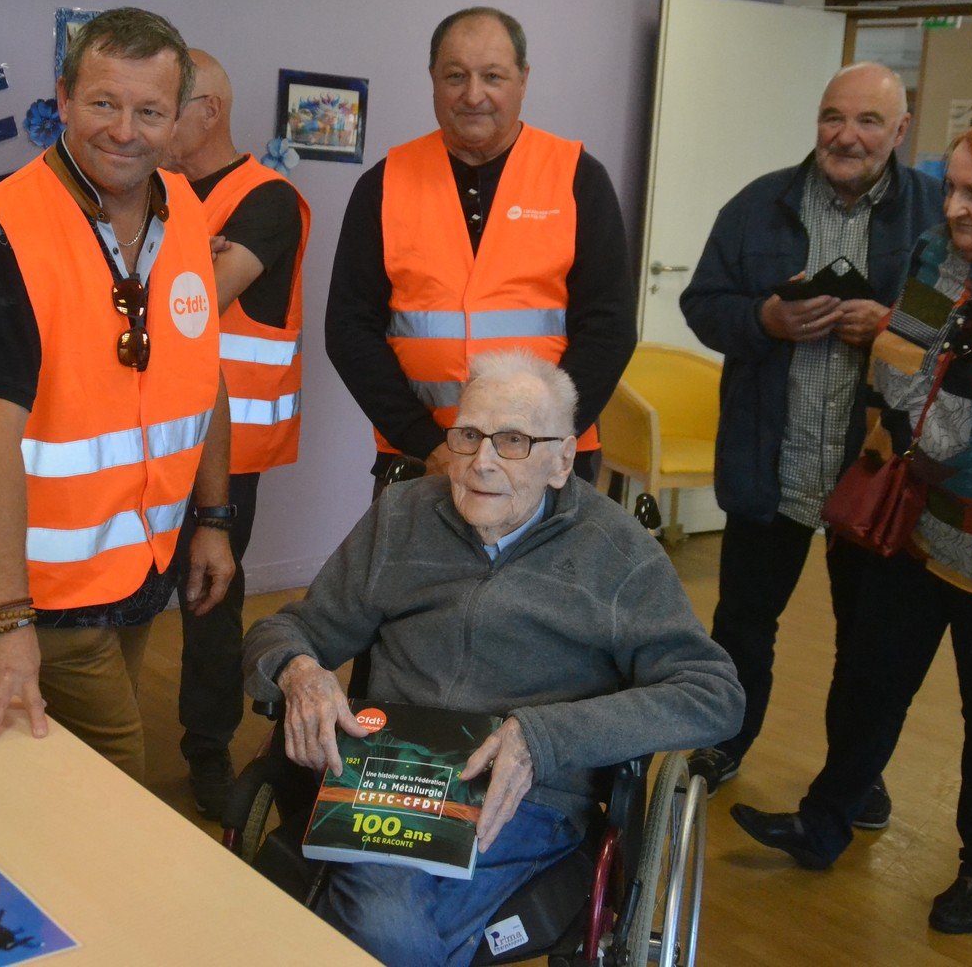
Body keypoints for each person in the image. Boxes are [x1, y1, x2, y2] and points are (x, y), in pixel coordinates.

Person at [732, 113, 972, 936]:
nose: (955, 208)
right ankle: (825, 822)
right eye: (954, 189)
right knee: (870, 683)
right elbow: (904, 358)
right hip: (907, 518)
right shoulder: (938, 255)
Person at [244, 351, 743, 967]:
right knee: (361, 916)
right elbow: (289, 629)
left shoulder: (617, 554)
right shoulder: (401, 517)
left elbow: (713, 694)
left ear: (563, 461)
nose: (482, 461)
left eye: (512, 441)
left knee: (379, 923)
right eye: (468, 436)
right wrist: (299, 671)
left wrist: (543, 736)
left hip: (524, 794)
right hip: (388, 775)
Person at [0, 7, 235, 783]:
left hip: (139, 569)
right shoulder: (4, 232)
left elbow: (204, 375)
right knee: (117, 782)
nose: (124, 132)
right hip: (39, 589)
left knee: (53, 787)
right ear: (63, 98)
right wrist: (6, 619)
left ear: (179, 119)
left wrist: (213, 519)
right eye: (104, 103)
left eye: (150, 112)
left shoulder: (185, 209)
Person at [678, 62, 944, 809]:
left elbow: (967, 332)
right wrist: (763, 319)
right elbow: (702, 304)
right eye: (833, 117)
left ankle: (855, 776)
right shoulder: (757, 205)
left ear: (900, 130)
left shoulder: (937, 216)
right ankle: (724, 743)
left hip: (878, 476)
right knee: (742, 625)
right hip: (771, 463)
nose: (846, 136)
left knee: (867, 642)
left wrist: (892, 328)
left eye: (868, 121)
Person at [325, 6, 634, 487]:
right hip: (419, 460)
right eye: (455, 76)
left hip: (547, 462)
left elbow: (609, 329)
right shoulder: (383, 185)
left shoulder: (578, 178)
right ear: (432, 79)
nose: (473, 95)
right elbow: (349, 330)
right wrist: (429, 445)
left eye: (492, 76)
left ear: (523, 80)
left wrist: (534, 442)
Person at [164, 47, 311, 817]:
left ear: (208, 111)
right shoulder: (151, 192)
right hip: (139, 435)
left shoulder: (267, 200)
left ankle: (209, 751)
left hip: (223, 448)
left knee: (208, 599)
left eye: (164, 107)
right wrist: (186, 256)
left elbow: (191, 307)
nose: (146, 124)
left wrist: (174, 262)